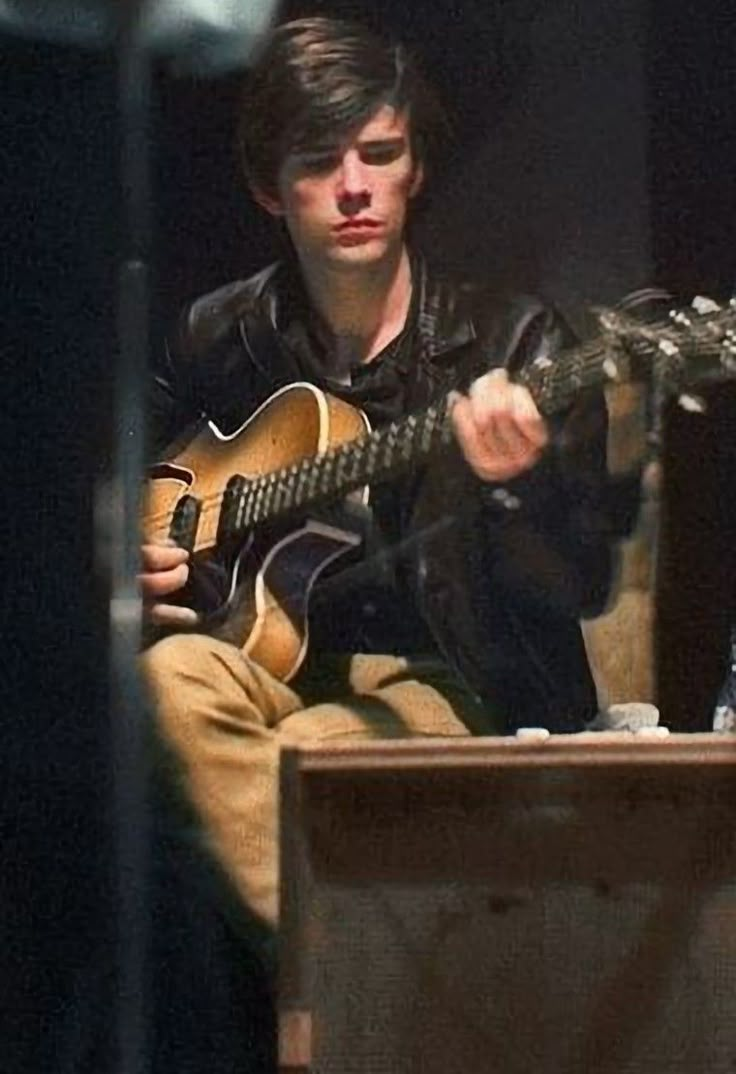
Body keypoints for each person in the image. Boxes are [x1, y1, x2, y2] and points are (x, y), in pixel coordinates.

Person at [140, 16, 625, 938]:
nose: (355, 188)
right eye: (319, 161)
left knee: (302, 762)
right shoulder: (217, 334)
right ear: (268, 188)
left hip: (453, 677)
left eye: (380, 152)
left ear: (416, 169)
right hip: (268, 658)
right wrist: (130, 557)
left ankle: (320, 1002)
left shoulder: (520, 346)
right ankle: (352, 971)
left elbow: (581, 585)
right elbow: (128, 481)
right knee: (167, 682)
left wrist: (512, 487)